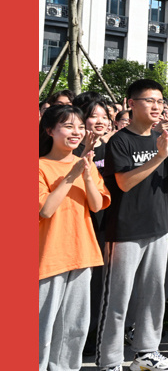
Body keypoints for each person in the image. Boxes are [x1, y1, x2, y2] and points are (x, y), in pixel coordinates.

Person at [96, 80, 168, 371]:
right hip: (125, 232)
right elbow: (123, 182)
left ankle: (146, 351)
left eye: (160, 101)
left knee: (153, 294)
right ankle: (109, 360)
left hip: (159, 227)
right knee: (118, 298)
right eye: (150, 100)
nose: (157, 106)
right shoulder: (120, 141)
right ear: (131, 104)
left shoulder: (163, 139)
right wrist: (158, 156)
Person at [39, 105, 111, 371]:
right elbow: (45, 210)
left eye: (80, 126)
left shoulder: (84, 163)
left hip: (82, 252)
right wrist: (71, 175)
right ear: (50, 130)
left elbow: (96, 205)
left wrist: (87, 172)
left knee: (75, 326)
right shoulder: (39, 166)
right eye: (68, 126)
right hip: (49, 256)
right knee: (42, 327)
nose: (76, 131)